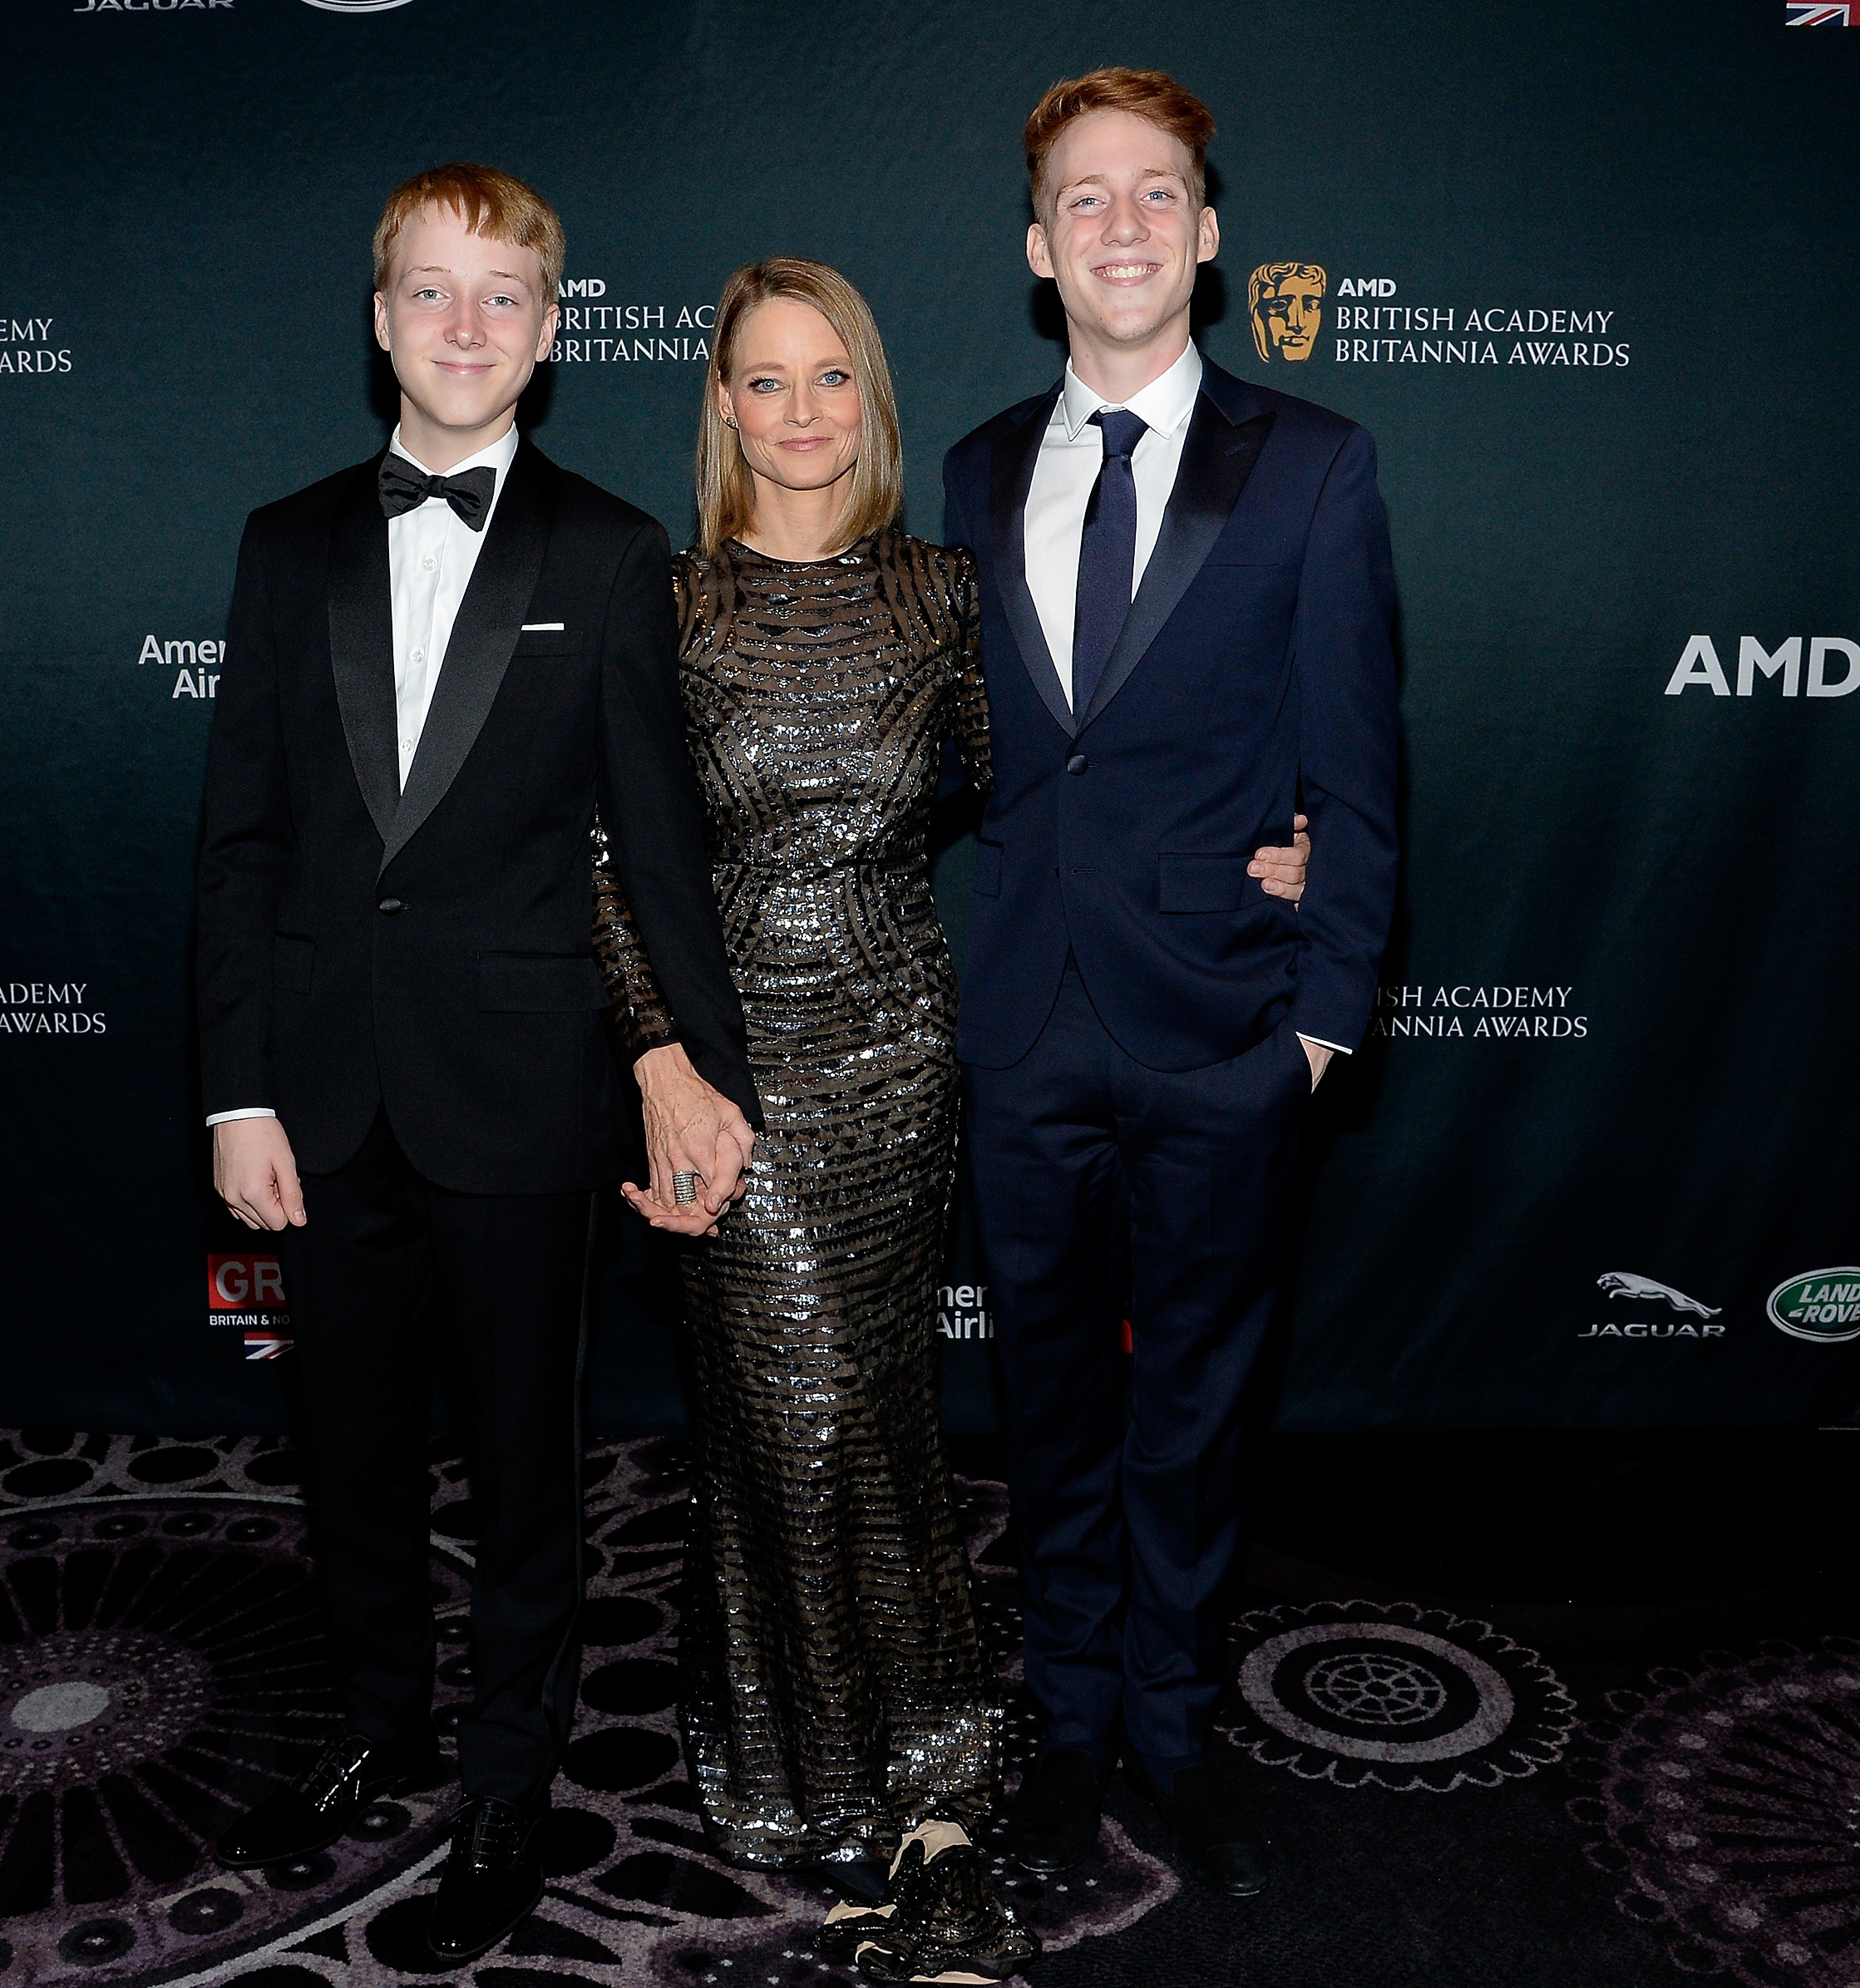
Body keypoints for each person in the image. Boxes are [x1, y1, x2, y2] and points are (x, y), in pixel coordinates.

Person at [595, 259, 1308, 1975]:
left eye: (829, 376)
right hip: (727, 1057)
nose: (800, 413)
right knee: (792, 1414)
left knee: (885, 1411)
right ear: (722, 407)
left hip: (907, 1051)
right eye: (763, 382)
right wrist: (660, 1062)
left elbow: (1080, 772)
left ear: (872, 397)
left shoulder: (939, 594)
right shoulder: (667, 604)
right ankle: (814, 1762)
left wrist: (1266, 836)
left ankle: (918, 1747)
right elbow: (615, 855)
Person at [193, 162, 758, 1970]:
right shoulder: (285, 542)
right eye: (428, 293)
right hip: (321, 1096)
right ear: (380, 322)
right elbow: (241, 839)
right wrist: (235, 1089)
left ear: (549, 328)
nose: (462, 325)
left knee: (525, 1467)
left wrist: (698, 1081)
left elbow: (655, 849)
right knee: (346, 1451)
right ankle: (380, 1717)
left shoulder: (605, 553)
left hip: (522, 1091)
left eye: (500, 295)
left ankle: (510, 1778)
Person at [940, 69, 1399, 1898]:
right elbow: (978, 747)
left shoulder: (1314, 459)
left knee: (1196, 1402)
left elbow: (1361, 770)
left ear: (1208, 235)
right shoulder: (973, 468)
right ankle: (1065, 1724)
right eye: (1081, 199)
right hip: (1029, 1018)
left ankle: (1175, 1721)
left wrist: (1319, 1020)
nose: (1119, 225)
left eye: (1155, 195)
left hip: (1226, 1029)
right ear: (1035, 247)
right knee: (1048, 1401)